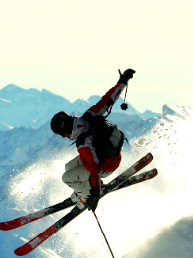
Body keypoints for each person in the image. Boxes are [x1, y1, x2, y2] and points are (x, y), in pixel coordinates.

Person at [49, 68, 135, 211]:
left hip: (106, 166)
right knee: (69, 167)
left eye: (61, 134)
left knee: (67, 178)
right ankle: (83, 191)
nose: (64, 137)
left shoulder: (84, 144)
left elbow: (93, 170)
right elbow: (107, 100)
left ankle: (85, 195)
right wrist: (122, 81)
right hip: (109, 156)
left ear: (65, 129)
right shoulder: (90, 115)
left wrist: (94, 194)